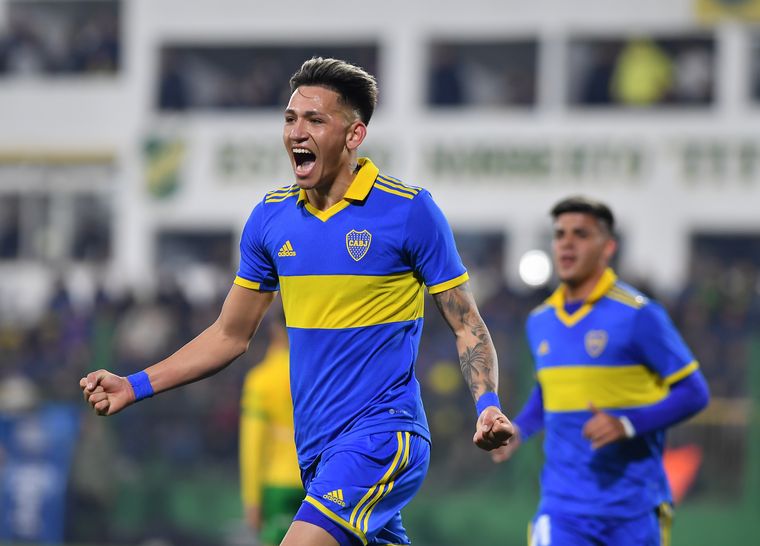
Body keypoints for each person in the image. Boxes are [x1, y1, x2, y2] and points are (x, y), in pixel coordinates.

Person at [81, 57, 513, 546]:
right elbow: (228, 334)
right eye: (290, 119)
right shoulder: (271, 218)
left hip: (382, 437)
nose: (296, 132)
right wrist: (133, 385)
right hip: (317, 453)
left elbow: (467, 324)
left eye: (315, 120)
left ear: (353, 135)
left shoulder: (408, 211)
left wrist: (488, 405)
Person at [492, 195, 710, 546]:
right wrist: (520, 430)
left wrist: (627, 424)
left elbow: (694, 393)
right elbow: (550, 390)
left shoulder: (639, 315)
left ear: (608, 247)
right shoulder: (540, 321)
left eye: (581, 234)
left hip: (634, 511)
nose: (567, 243)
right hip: (562, 510)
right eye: (560, 234)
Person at [239, 305, 302, 546]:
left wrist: (252, 500)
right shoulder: (319, 374)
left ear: (274, 330)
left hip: (278, 484)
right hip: (319, 480)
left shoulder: (261, 380)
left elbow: (252, 444)